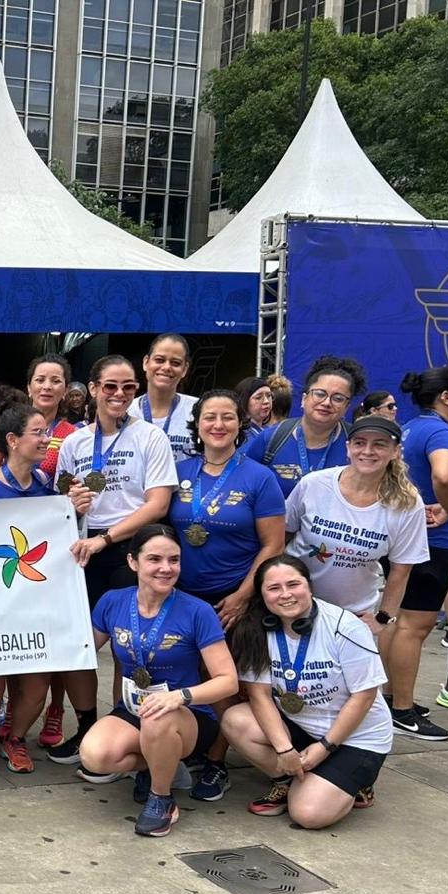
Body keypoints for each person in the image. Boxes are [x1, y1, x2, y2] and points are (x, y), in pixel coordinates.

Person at [54, 355, 176, 764]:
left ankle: (129, 720)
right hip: (83, 550)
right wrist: (72, 503)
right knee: (80, 644)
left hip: (127, 551)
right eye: (110, 386)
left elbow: (158, 504)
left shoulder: (150, 438)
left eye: (128, 387)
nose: (119, 394)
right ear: (92, 389)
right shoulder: (73, 443)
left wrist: (107, 538)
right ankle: (88, 725)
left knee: (129, 645)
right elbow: (62, 504)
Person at [79, 525, 238, 836]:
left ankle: (161, 798)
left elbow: (227, 681)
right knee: (95, 757)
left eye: (174, 560)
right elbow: (82, 651)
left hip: (185, 716)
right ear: (133, 562)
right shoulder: (112, 601)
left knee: (158, 716)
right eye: (154, 559)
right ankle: (159, 764)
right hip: (134, 708)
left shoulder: (198, 611)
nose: (166, 568)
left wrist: (180, 697)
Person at [168, 390, 286, 800]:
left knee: (230, 684)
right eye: (209, 418)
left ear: (241, 424)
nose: (218, 425)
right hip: (183, 596)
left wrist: (241, 595)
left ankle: (217, 764)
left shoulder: (258, 477)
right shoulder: (178, 471)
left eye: (228, 418)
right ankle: (193, 750)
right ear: (197, 425)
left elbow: (273, 545)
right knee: (190, 678)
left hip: (235, 597)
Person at [0, 405, 91, 779]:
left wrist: (77, 513)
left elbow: (62, 539)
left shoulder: (47, 487)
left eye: (47, 430)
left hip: (37, 602)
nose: (46, 438)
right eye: (37, 432)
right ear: (12, 441)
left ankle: (15, 739)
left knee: (36, 685)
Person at [223, 555, 392, 824]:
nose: (286, 595)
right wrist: (284, 751)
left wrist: (325, 747)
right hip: (302, 724)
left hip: (356, 735)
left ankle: (354, 782)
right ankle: (288, 781)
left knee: (308, 815)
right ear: (262, 595)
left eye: (293, 584)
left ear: (309, 586)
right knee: (235, 720)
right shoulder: (255, 629)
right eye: (274, 588)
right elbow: (260, 695)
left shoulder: (344, 626)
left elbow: (365, 696)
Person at [285, 415, 426, 631]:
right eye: (360, 443)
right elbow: (281, 537)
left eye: (379, 444)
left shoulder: (407, 503)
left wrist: (383, 618)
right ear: (348, 448)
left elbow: (401, 568)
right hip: (294, 607)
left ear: (395, 451)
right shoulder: (314, 484)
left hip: (352, 616)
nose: (368, 451)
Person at [386, 369, 448, 734]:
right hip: (432, 543)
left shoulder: (414, 426)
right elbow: (446, 475)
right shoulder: (439, 431)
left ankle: (391, 697)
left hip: (414, 540)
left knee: (397, 621)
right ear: (446, 397)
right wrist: (447, 507)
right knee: (414, 627)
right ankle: (402, 710)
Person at [246, 356, 365, 498]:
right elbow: (245, 487)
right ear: (304, 399)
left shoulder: (358, 443)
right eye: (320, 394)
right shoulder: (271, 438)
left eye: (338, 398)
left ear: (347, 407)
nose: (327, 402)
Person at [131, 333, 198, 461]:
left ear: (185, 369)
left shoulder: (198, 410)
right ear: (146, 362)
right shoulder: (126, 412)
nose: (167, 367)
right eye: (160, 360)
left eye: (176, 363)